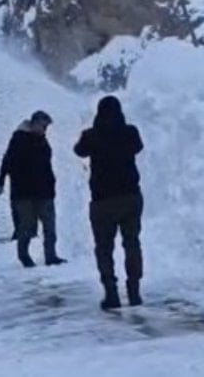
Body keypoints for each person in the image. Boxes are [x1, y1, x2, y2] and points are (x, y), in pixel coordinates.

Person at [74, 96, 145, 309]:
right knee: (132, 243)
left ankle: (111, 293)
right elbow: (138, 147)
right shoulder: (130, 132)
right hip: (130, 197)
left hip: (102, 200)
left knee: (104, 247)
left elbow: (79, 150)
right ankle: (134, 291)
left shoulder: (91, 135)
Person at [0, 110, 66, 268]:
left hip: (44, 191)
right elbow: (7, 161)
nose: (45, 129)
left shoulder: (42, 140)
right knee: (27, 227)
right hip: (24, 192)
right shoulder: (19, 139)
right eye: (43, 126)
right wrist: (1, 180)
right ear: (34, 123)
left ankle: (51, 255)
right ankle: (24, 256)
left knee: (50, 226)